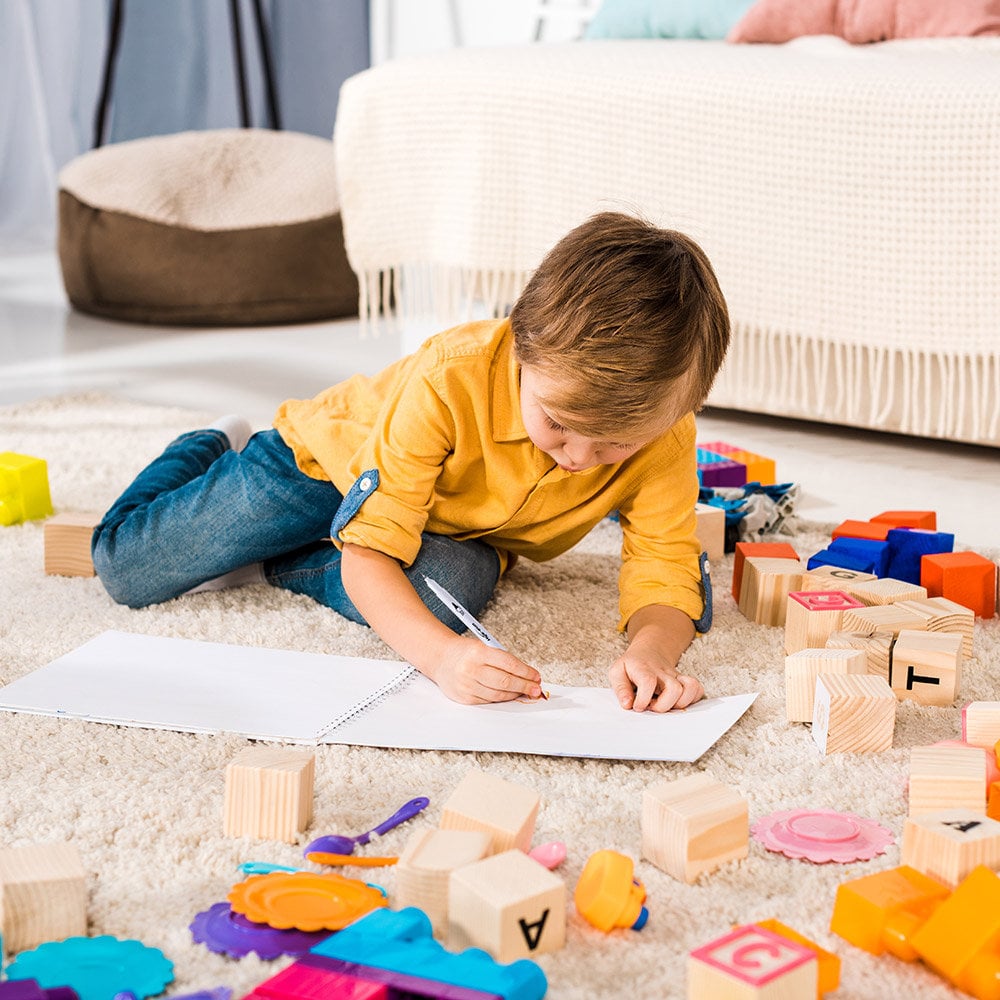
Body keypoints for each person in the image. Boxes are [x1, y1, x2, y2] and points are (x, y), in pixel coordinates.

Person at [92, 211, 730, 712]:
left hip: (452, 528)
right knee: (127, 568)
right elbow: (372, 556)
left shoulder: (666, 436)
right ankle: (206, 446)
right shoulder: (449, 377)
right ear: (519, 346)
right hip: (323, 463)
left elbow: (664, 570)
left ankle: (278, 560)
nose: (581, 460)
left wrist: (653, 654)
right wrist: (443, 662)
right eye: (558, 425)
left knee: (448, 593)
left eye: (617, 444)